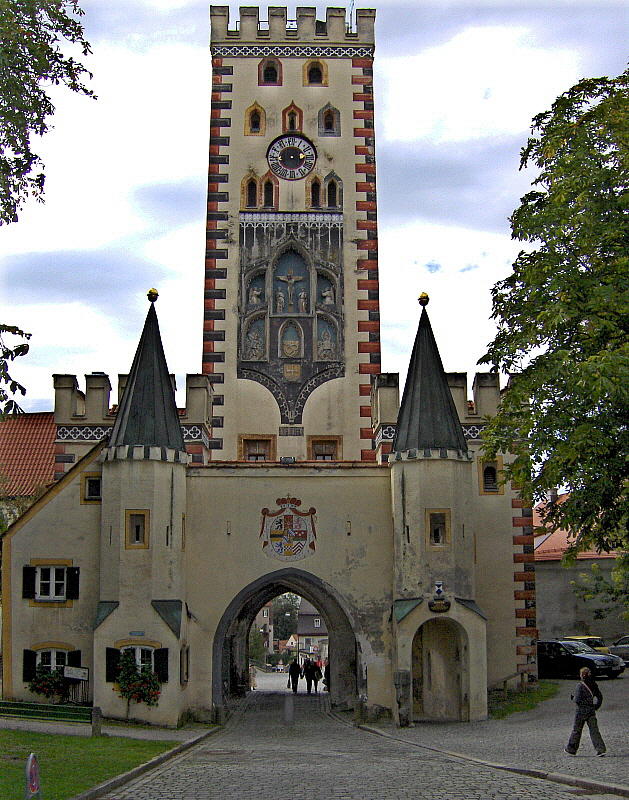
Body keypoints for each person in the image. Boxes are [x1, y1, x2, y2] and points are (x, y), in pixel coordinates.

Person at [565, 666, 606, 756]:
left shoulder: (580, 685)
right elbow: (600, 697)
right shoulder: (594, 684)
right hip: (591, 711)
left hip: (580, 712)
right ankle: (600, 749)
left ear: (583, 675)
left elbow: (577, 700)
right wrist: (596, 706)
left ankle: (571, 749)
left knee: (577, 730)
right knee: (594, 730)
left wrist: (573, 698)